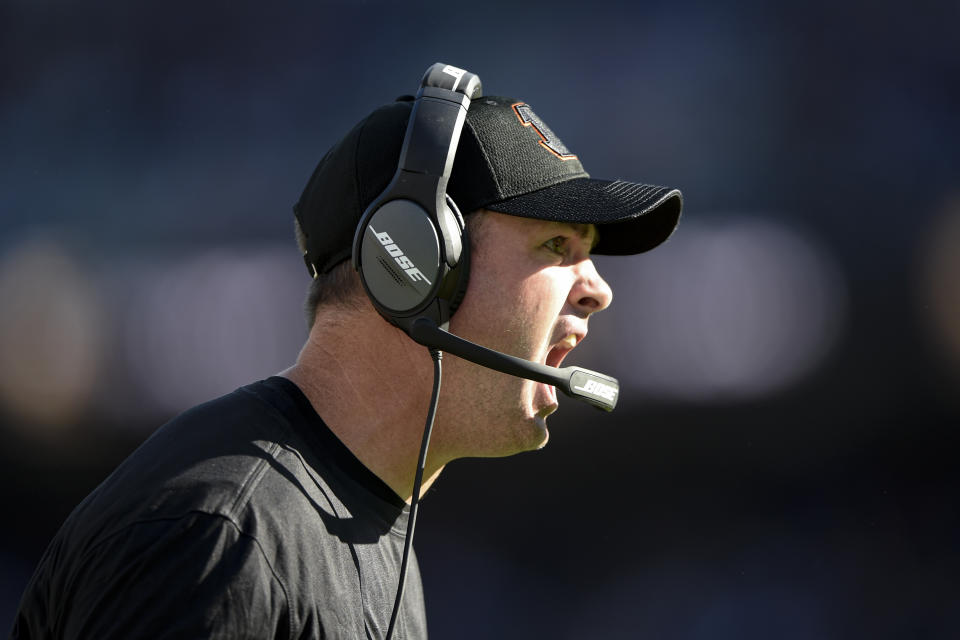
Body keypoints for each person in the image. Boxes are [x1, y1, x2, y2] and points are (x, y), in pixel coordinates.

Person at [10, 70, 682, 639]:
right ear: (416, 267)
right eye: (555, 247)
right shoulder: (220, 539)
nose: (598, 290)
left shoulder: (365, 528)